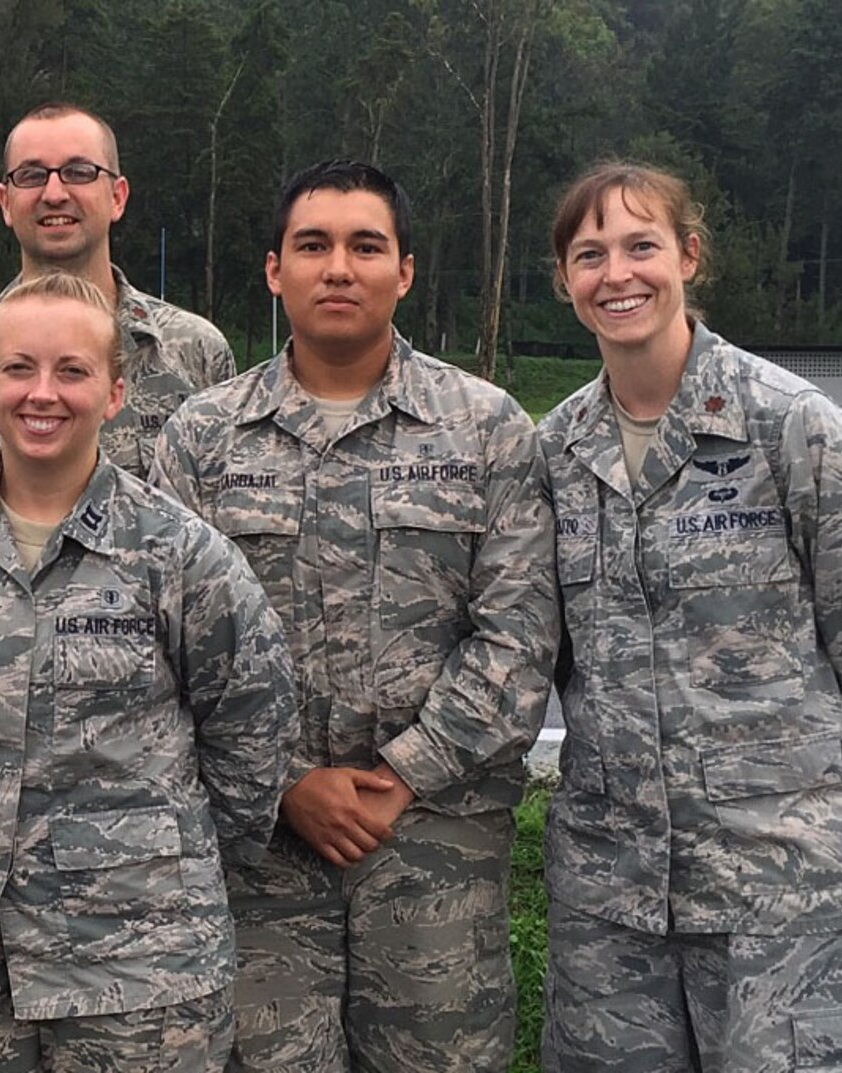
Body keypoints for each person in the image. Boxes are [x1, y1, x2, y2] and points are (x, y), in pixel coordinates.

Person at [151, 159, 559, 1072]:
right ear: (274, 270)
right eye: (314, 245)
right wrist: (289, 783)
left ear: (404, 271)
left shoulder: (487, 430)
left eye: (365, 245)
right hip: (260, 857)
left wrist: (399, 779)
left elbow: (519, 641)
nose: (339, 266)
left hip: (433, 856)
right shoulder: (202, 438)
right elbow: (169, 651)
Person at [536, 161, 842, 1073]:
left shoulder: (795, 428)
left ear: (690, 254)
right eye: (589, 254)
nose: (617, 273)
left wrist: (793, 796)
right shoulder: (553, 452)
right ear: (565, 282)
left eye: (642, 245)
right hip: (614, 915)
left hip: (789, 903)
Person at [0, 271, 295, 1071]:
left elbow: (252, 734)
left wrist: (164, 866)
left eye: (73, 371)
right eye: (20, 368)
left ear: (115, 391)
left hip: (138, 968)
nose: (43, 393)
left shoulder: (180, 553)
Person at [0, 102, 234, 517]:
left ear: (117, 196)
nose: (54, 194)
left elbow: (221, 527)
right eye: (32, 175)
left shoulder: (195, 353)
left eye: (79, 172)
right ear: (5, 201)